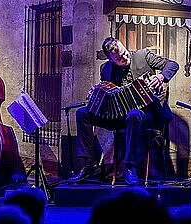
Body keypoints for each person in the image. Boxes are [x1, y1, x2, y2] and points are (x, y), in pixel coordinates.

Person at [70, 37, 179, 185]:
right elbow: (106, 95)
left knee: (133, 115)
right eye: (119, 58)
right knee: (82, 113)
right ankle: (89, 165)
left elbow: (173, 65)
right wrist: (95, 95)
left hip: (146, 113)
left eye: (124, 52)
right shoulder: (106, 69)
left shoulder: (143, 56)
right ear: (111, 60)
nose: (124, 57)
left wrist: (160, 77)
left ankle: (130, 167)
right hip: (117, 116)